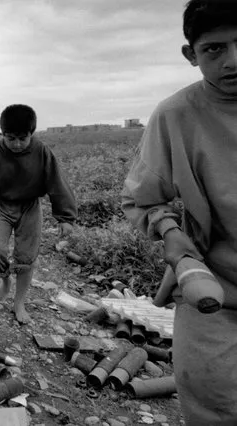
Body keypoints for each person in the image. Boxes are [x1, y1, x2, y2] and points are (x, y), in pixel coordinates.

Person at [121, 1, 237, 424]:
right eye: (214, 49)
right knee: (213, 403)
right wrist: (171, 234)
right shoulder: (176, 115)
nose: (233, 61)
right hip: (216, 293)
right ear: (191, 54)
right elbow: (143, 197)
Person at [0, 105, 77, 324]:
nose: (16, 144)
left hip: (29, 207)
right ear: (2, 134)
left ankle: (19, 302)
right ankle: (5, 283)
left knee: (26, 257)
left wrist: (65, 217)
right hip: (1, 206)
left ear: (31, 134)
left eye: (22, 139)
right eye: (10, 138)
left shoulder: (42, 152)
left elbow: (57, 183)